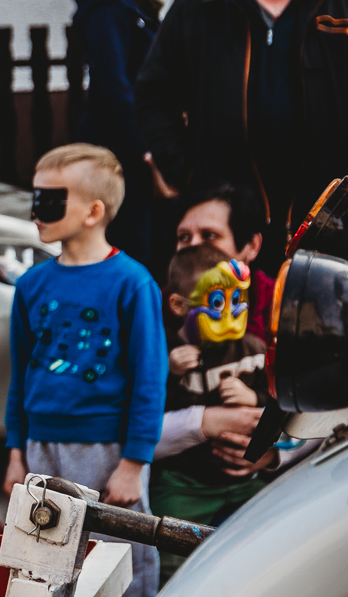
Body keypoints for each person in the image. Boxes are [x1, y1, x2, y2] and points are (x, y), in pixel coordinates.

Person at [138, 0, 348, 277]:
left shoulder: (341, 8)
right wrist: (190, 174)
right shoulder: (199, 8)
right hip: (229, 231)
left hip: (331, 229)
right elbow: (153, 98)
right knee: (231, 337)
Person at [3, 144, 166, 597]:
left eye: (51, 200)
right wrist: (16, 450)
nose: (37, 211)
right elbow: (21, 375)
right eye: (36, 197)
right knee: (44, 555)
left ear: (94, 211)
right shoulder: (30, 285)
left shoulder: (133, 283)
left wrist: (134, 462)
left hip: (108, 449)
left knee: (119, 556)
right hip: (41, 447)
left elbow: (150, 380)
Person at [150, 247, 268, 583]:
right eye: (217, 302)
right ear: (178, 305)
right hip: (185, 484)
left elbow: (279, 408)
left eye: (235, 300)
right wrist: (169, 371)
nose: (229, 313)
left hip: (247, 480)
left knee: (261, 556)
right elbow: (152, 412)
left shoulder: (253, 350)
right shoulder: (170, 352)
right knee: (172, 564)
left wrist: (253, 396)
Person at [72, 0, 161, 265]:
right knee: (129, 244)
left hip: (131, 144)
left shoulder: (134, 1)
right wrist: (146, 146)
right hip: (120, 150)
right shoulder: (110, 6)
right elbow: (114, 85)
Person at [171, 185, 273, 344]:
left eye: (209, 235)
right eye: (184, 237)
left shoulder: (278, 305)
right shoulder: (158, 305)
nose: (193, 245)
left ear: (252, 246)